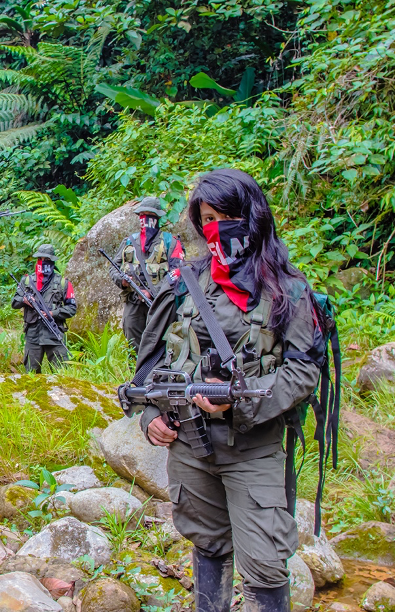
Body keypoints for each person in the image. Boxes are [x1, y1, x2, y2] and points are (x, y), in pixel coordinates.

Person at [130, 169, 325, 612]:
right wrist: (150, 417)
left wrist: (241, 399)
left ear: (251, 217)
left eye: (226, 216)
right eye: (207, 218)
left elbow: (303, 370)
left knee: (265, 563)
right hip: (189, 447)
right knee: (209, 544)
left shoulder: (288, 291)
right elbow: (149, 369)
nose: (216, 228)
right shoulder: (184, 283)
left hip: (252, 447)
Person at [109, 197, 184, 352]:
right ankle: (137, 374)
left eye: (149, 214)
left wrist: (152, 292)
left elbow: (178, 272)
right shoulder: (130, 242)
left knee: (161, 341)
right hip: (133, 302)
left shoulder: (171, 242)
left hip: (160, 303)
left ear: (157, 218)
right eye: (142, 214)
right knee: (132, 340)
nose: (145, 219)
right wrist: (122, 281)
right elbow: (113, 267)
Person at [10, 244, 77, 373]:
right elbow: (14, 303)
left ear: (52, 261)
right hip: (33, 335)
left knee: (62, 374)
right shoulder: (27, 281)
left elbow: (72, 308)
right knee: (31, 375)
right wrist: (25, 300)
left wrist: (53, 313)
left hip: (54, 334)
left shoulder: (63, 283)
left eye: (46, 260)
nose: (43, 263)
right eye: (40, 259)